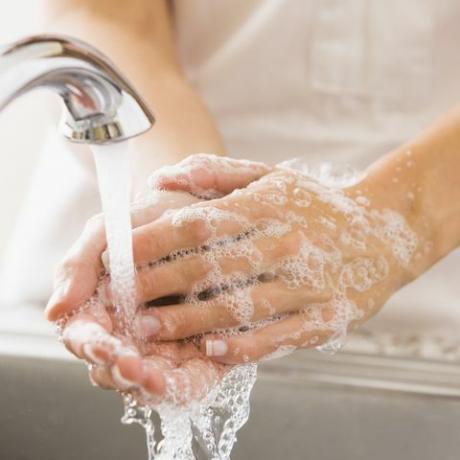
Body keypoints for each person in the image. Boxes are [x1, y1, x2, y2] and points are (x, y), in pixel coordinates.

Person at [8, 0, 460, 401]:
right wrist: (181, 208)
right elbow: (105, 11)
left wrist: (395, 219)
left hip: (439, 321)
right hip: (128, 261)